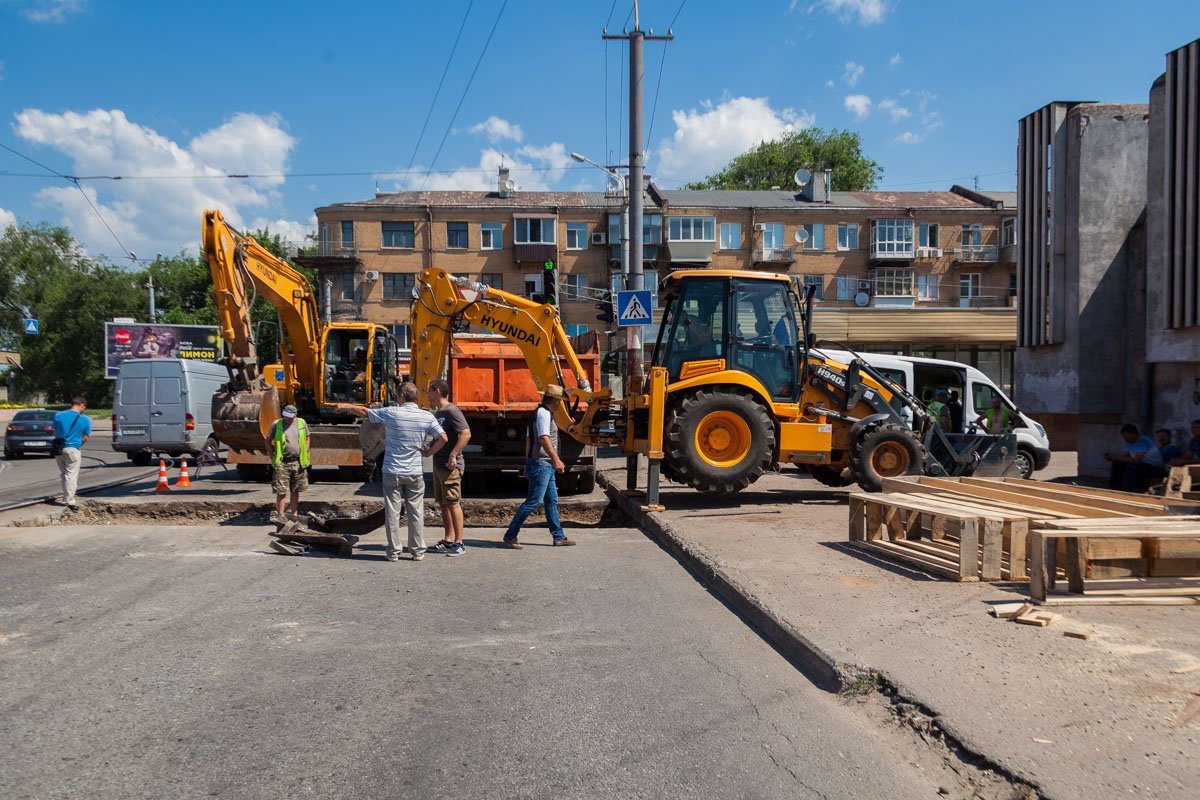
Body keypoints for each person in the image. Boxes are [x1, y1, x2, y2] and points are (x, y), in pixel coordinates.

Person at [336, 383, 446, 562]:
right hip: (415, 472)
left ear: (402, 396)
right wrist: (428, 452)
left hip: (392, 470)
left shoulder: (392, 413)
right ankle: (417, 551)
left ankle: (394, 551)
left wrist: (345, 406)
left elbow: (364, 412)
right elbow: (443, 437)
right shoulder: (426, 416)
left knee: (392, 512)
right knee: (416, 511)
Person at [503, 385, 577, 549]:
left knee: (551, 500)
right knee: (533, 501)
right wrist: (556, 459)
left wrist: (527, 462)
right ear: (555, 401)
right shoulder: (544, 414)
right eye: (560, 401)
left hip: (541, 463)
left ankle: (558, 537)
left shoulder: (538, 413)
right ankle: (510, 535)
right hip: (542, 463)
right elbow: (543, 438)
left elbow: (529, 440)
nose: (561, 405)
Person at [426, 379, 471, 557]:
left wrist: (453, 454)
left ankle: (459, 543)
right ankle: (448, 539)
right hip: (439, 464)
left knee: (453, 503)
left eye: (429, 391)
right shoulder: (439, 413)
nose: (427, 395)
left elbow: (466, 433)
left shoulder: (452, 411)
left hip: (449, 465)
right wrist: (429, 449)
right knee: (443, 503)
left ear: (437, 391)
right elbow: (440, 438)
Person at [266, 404, 310, 519]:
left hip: (298, 462)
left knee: (295, 490)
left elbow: (307, 438)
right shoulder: (277, 424)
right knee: (281, 490)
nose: (287, 419)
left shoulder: (301, 423)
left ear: (295, 415)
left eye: (290, 417)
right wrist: (272, 456)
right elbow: (268, 440)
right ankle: (281, 515)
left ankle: (294, 514)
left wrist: (305, 450)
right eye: (286, 416)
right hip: (282, 462)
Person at [53, 396, 91, 510]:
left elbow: (54, 431)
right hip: (73, 449)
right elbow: (86, 436)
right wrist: (78, 444)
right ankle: (70, 500)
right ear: (82, 405)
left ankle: (66, 496)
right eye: (84, 407)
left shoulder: (58, 415)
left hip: (59, 448)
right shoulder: (85, 419)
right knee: (71, 475)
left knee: (64, 473)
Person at [1105, 423, 1166, 492]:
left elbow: (1136, 460)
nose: (1125, 439)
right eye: (1124, 437)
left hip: (1155, 469)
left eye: (1126, 437)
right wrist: (1113, 457)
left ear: (1133, 434)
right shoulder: (1130, 442)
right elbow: (1123, 456)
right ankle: (1115, 488)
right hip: (1144, 466)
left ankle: (1130, 490)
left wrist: (1115, 458)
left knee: (1132, 466)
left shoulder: (1142, 441)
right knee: (1118, 463)